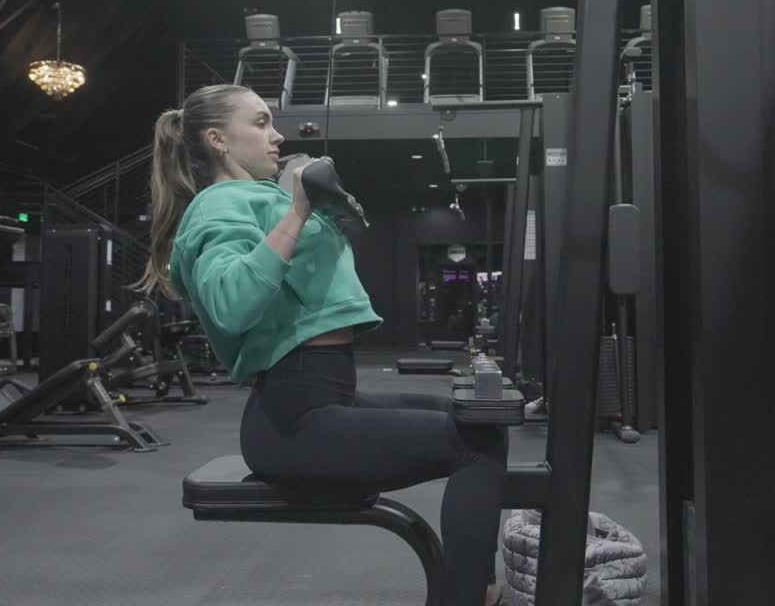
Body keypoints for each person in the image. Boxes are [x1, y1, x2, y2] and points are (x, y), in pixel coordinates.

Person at [134, 84, 509, 606]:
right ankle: (474, 596)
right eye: (261, 122)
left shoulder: (263, 197)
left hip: (323, 395)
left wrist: (303, 206)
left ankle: (472, 589)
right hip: (294, 421)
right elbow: (231, 304)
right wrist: (297, 213)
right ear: (218, 139)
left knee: (478, 419)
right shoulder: (217, 205)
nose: (277, 134)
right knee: (476, 446)